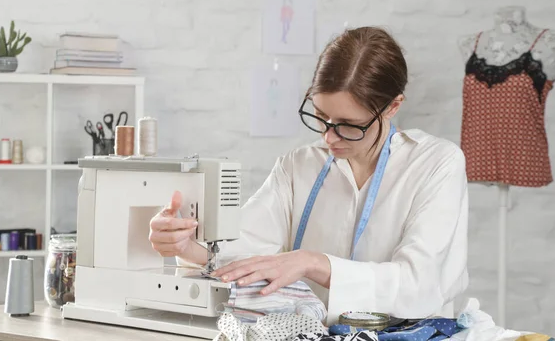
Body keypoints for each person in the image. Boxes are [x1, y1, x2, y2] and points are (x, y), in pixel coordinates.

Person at [149, 26, 469, 325]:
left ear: (392, 107)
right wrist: (185, 246)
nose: (329, 136)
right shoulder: (298, 165)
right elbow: (243, 246)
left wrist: (314, 263)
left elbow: (418, 283)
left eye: (348, 124)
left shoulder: (436, 164)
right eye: (320, 115)